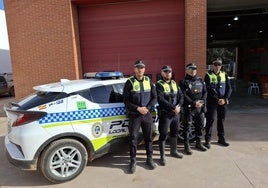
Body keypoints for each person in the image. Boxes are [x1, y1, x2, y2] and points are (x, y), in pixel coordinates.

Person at [123, 60, 157, 174]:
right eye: (138, 67)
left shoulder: (149, 81)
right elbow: (126, 100)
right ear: (134, 69)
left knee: (149, 137)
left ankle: (149, 159)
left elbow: (154, 97)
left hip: (146, 114)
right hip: (135, 115)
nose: (140, 69)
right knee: (133, 138)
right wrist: (138, 108)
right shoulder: (129, 82)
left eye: (142, 67)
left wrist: (147, 108)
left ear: (144, 69)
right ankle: (133, 161)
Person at [156, 65, 183, 166]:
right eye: (165, 72)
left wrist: (179, 106)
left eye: (169, 72)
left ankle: (173, 151)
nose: (168, 73)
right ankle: (162, 156)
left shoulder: (174, 83)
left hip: (175, 114)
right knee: (163, 134)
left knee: (175, 133)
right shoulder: (159, 85)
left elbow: (181, 96)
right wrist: (173, 107)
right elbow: (161, 100)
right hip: (165, 114)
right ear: (162, 73)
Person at [204, 58, 232, 149]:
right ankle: (207, 140)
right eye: (215, 64)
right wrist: (217, 100)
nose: (217, 66)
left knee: (221, 120)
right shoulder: (208, 75)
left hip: (223, 102)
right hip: (212, 102)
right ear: (212, 65)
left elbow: (229, 88)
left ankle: (221, 138)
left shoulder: (225, 75)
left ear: (221, 66)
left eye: (219, 65)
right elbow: (208, 90)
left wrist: (225, 98)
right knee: (210, 120)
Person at [179, 63, 207, 155]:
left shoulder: (200, 80)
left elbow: (205, 92)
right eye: (191, 68)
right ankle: (186, 145)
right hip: (190, 108)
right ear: (187, 70)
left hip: (200, 107)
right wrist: (194, 103)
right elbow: (183, 95)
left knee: (200, 126)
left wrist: (202, 101)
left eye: (194, 68)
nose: (193, 70)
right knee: (187, 128)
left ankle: (198, 143)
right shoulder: (183, 82)